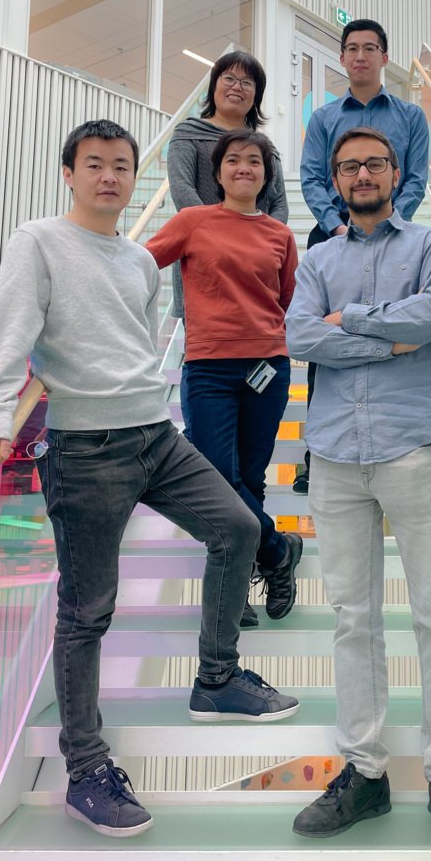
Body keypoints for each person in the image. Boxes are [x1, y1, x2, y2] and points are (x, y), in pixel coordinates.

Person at [0, 119, 299, 839]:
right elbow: (12, 328)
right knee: (88, 610)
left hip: (156, 432)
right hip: (87, 448)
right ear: (70, 173)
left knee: (239, 525)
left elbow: (138, 335)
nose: (111, 177)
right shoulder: (38, 241)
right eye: (96, 165)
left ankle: (215, 678)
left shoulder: (135, 259)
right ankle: (86, 768)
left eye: (122, 166)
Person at [286, 127, 431, 851]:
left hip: (417, 446)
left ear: (396, 173)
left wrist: (358, 321)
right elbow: (301, 337)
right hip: (337, 453)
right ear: (336, 181)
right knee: (353, 618)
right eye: (349, 166)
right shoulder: (316, 259)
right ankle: (366, 773)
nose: (362, 174)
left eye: (374, 162)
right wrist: (391, 336)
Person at [147, 128, 301, 625]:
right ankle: (277, 551)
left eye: (254, 161)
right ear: (218, 173)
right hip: (208, 367)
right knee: (219, 479)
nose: (244, 168)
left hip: (267, 368)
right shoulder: (192, 222)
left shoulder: (280, 234)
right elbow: (140, 266)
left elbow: (285, 298)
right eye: (233, 160)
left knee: (250, 479)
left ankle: (239, 589)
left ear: (266, 173)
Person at [294, 18, 429, 493]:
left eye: (370, 48)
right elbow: (312, 177)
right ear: (343, 58)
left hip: (396, 236)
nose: (360, 56)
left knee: (392, 321)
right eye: (351, 49)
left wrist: (388, 220)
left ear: (384, 58)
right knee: (324, 344)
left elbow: (414, 178)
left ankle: (393, 439)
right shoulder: (325, 118)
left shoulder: (411, 116)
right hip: (334, 237)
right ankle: (317, 450)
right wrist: (340, 226)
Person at [167, 50, 288, 322]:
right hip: (205, 258)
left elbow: (279, 204)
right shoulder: (188, 134)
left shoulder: (265, 147)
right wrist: (225, 238)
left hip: (256, 262)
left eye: (247, 82)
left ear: (256, 94)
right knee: (206, 348)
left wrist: (262, 241)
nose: (237, 87)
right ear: (214, 86)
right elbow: (183, 192)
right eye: (229, 78)